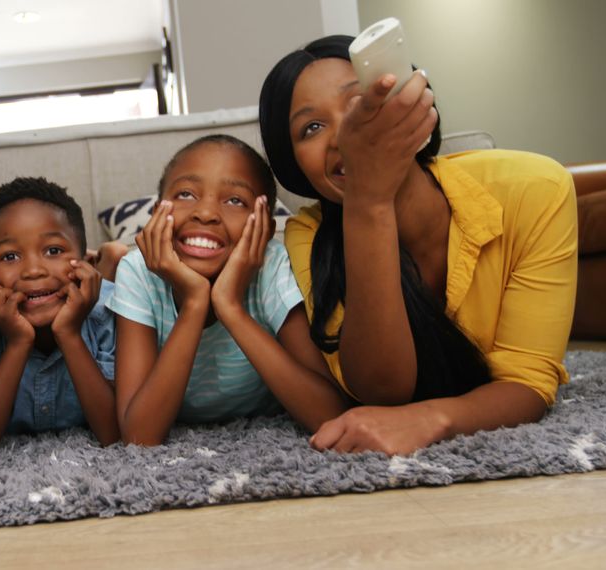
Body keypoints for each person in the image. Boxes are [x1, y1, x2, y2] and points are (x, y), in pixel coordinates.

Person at [258, 35, 577, 455]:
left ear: (411, 108)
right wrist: (368, 200)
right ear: (294, 163)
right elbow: (379, 388)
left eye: (357, 104)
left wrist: (430, 419)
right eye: (311, 128)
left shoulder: (536, 189)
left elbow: (527, 381)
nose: (344, 137)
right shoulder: (310, 235)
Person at [107, 134, 347, 445]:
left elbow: (331, 415)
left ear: (265, 230)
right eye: (185, 194)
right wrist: (195, 302)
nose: (205, 213)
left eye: (235, 200)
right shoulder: (138, 272)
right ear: (156, 214)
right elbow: (139, 436)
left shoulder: (272, 267)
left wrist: (229, 307)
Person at [0, 177, 118, 459]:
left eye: (53, 251)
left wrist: (69, 334)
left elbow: (117, 435)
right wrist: (18, 342)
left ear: (86, 264)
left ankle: (114, 258)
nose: (32, 270)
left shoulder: (110, 314)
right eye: (10, 256)